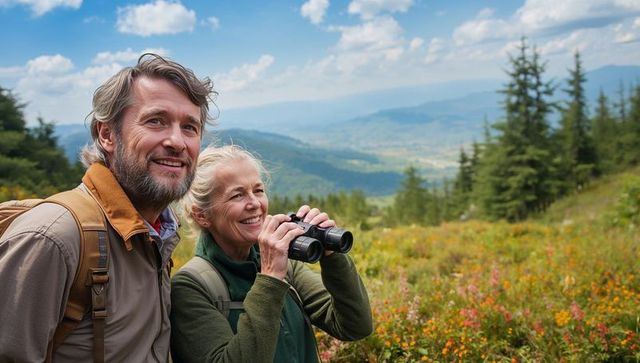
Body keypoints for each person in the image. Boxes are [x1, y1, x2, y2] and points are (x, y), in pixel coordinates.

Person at [0, 53, 215, 362]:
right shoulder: (53, 239)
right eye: (156, 121)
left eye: (190, 127)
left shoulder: (157, 233)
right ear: (107, 134)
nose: (177, 142)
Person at [170, 145, 373, 362]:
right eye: (237, 195)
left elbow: (355, 326)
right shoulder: (190, 288)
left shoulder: (285, 264)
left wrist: (332, 256)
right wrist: (270, 280)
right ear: (202, 215)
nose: (255, 203)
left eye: (258, 190)